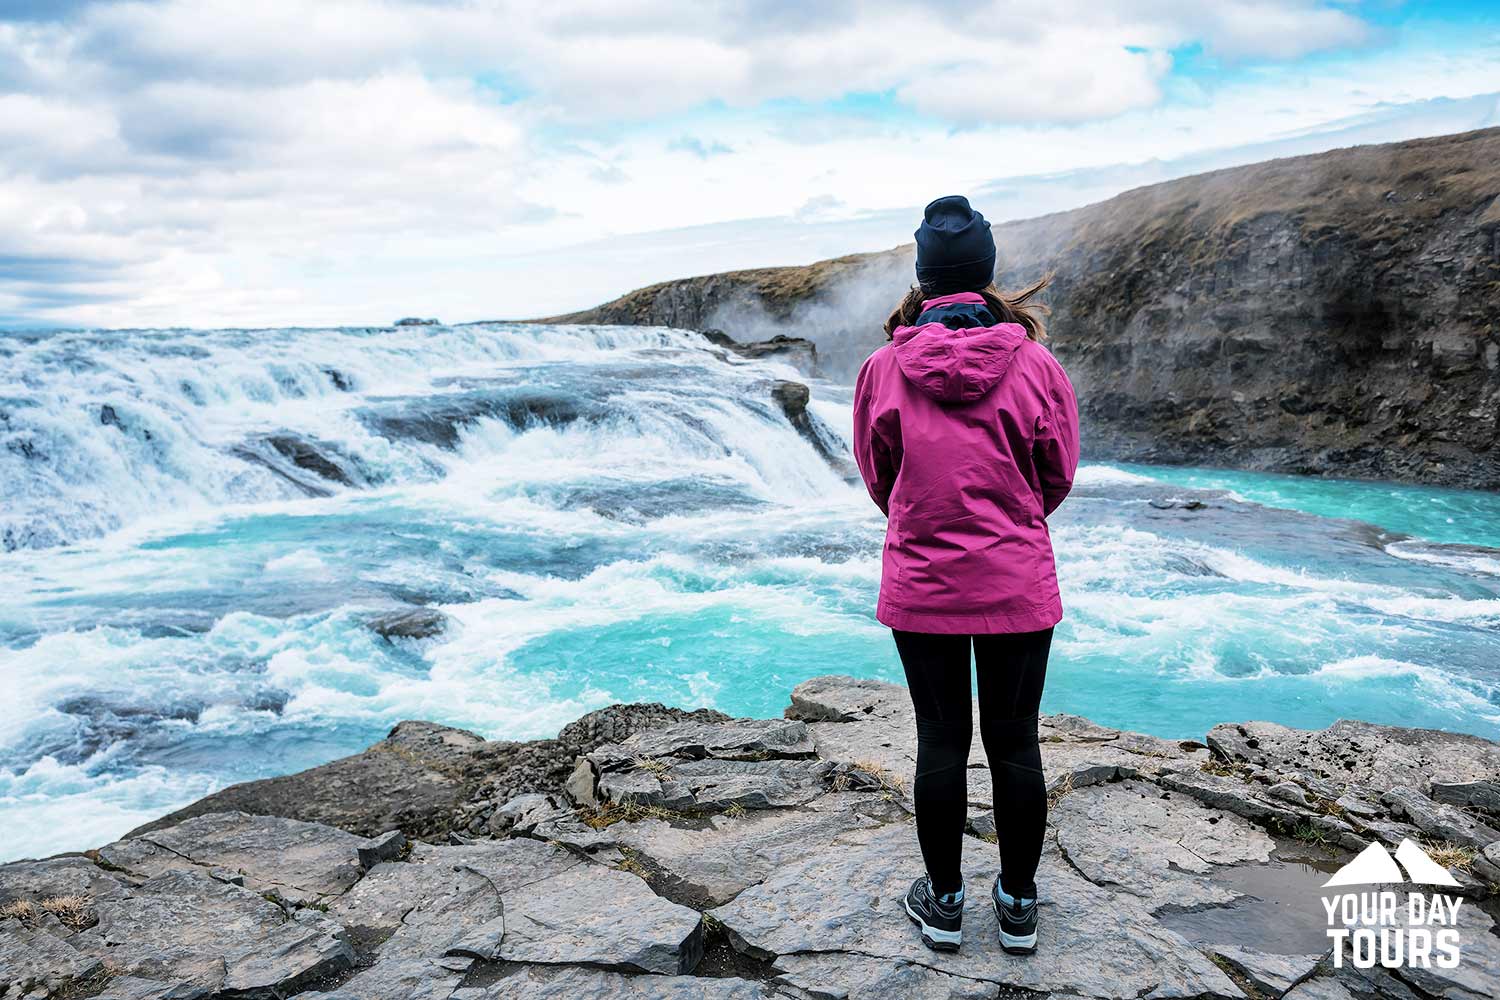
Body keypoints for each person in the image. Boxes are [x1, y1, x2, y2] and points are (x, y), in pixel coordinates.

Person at [852, 195, 1079, 956]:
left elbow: (879, 478)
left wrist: (924, 519)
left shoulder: (884, 367)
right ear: (985, 272)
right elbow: (1057, 474)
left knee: (940, 742)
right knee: (1016, 743)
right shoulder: (1037, 363)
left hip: (923, 584)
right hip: (1016, 580)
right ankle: (1018, 906)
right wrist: (1009, 520)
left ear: (924, 278)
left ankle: (943, 904)